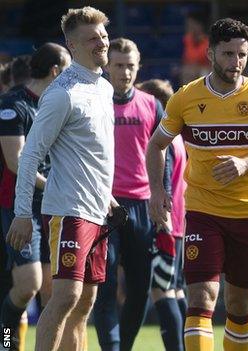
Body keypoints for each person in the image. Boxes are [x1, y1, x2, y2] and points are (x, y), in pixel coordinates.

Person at [146, 18, 248, 351]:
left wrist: (247, 163)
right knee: (203, 296)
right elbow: (156, 144)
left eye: (242, 54)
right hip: (203, 210)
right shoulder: (186, 98)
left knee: (240, 304)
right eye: (228, 54)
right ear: (211, 53)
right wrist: (157, 191)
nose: (236, 62)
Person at [6, 6, 115, 351]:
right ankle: (7, 340)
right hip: (69, 209)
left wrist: (109, 196)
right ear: (72, 44)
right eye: (92, 38)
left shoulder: (104, 88)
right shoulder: (62, 94)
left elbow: (92, 153)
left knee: (84, 303)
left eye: (103, 35)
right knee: (65, 296)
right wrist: (23, 213)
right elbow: (28, 158)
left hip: (98, 209)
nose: (101, 42)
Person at [92, 37, 171, 351]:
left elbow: (163, 152)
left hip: (141, 206)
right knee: (106, 286)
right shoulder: (93, 101)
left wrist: (160, 194)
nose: (125, 72)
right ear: (107, 65)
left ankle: (123, 347)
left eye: (130, 66)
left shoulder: (152, 105)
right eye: (119, 65)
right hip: (103, 206)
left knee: (140, 289)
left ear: (139, 67)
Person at [0, 42, 70, 351]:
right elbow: (16, 162)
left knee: (51, 292)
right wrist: (54, 186)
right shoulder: (12, 105)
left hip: (52, 206)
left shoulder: (57, 105)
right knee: (28, 285)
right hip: (19, 207)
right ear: (55, 71)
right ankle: (5, 338)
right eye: (68, 72)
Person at [136, 78, 188, 351]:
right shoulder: (177, 139)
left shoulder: (161, 142)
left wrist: (161, 219)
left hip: (164, 221)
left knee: (162, 291)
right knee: (176, 289)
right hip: (177, 221)